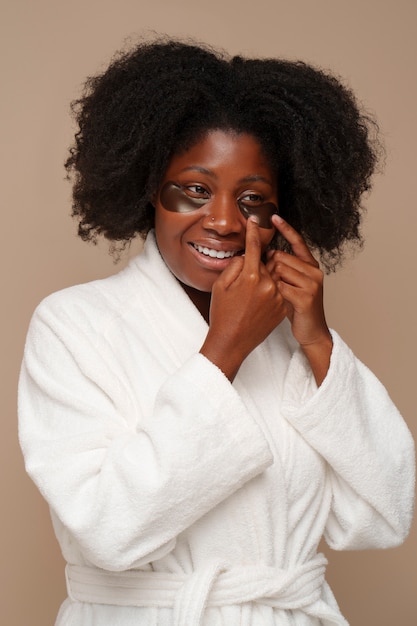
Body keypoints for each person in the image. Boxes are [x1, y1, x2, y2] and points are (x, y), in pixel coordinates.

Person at [18, 37, 415, 626]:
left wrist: (319, 343)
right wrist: (222, 353)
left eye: (252, 199)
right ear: (149, 187)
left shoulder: (293, 345)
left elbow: (381, 516)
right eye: (196, 190)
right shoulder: (75, 324)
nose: (225, 221)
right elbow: (107, 528)